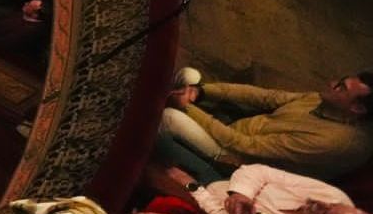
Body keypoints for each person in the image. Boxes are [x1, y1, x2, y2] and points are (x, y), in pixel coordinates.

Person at [160, 71, 373, 181]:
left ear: (357, 109)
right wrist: (202, 91)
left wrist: (188, 107)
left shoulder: (333, 142)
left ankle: (138, 133)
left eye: (341, 87)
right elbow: (266, 97)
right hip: (236, 130)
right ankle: (158, 94)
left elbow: (246, 146)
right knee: (190, 77)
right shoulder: (325, 101)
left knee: (171, 117)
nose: (332, 83)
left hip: (233, 159)